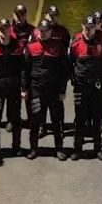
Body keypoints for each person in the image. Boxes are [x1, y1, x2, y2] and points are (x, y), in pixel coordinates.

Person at [24, 20, 71, 160]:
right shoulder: (31, 47)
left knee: (57, 121)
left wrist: (62, 90)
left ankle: (59, 148)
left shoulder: (59, 47)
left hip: (54, 91)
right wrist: (24, 89)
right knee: (35, 121)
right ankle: (33, 149)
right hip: (36, 90)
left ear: (51, 31)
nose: (43, 33)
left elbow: (64, 70)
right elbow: (25, 70)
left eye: (46, 30)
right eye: (41, 30)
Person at [69, 16, 102, 160]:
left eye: (91, 27)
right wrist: (74, 81)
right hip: (80, 87)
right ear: (82, 26)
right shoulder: (75, 43)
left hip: (96, 87)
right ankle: (77, 149)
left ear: (95, 27)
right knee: (80, 119)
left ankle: (97, 149)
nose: (88, 30)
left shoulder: (101, 43)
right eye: (86, 27)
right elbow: (70, 63)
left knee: (97, 118)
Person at [0, 18, 27, 156]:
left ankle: (16, 147)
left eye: (6, 28)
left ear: (10, 30)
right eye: (1, 29)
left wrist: (23, 87)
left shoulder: (19, 46)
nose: (4, 31)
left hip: (14, 88)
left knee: (16, 118)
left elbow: (23, 69)